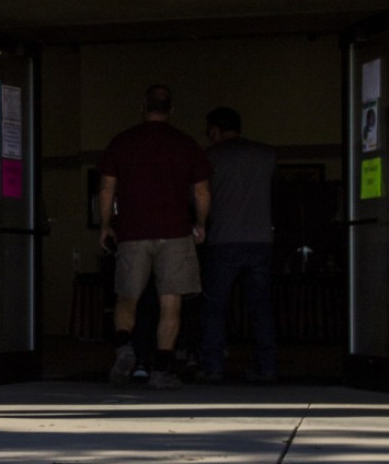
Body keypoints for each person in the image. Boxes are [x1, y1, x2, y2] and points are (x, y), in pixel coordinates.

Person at [98, 84, 212, 389]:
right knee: (170, 302)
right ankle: (162, 369)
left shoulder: (123, 142)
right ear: (170, 109)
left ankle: (125, 349)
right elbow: (201, 190)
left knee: (127, 297)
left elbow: (107, 188)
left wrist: (106, 224)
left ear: (143, 106)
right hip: (175, 232)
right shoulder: (186, 144)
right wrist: (200, 222)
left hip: (133, 232)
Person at [198, 107, 279, 383]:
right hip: (260, 239)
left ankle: (213, 366)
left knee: (215, 306)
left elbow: (199, 197)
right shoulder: (267, 155)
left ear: (217, 130)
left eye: (210, 131)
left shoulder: (211, 158)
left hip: (223, 240)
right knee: (261, 306)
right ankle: (267, 366)